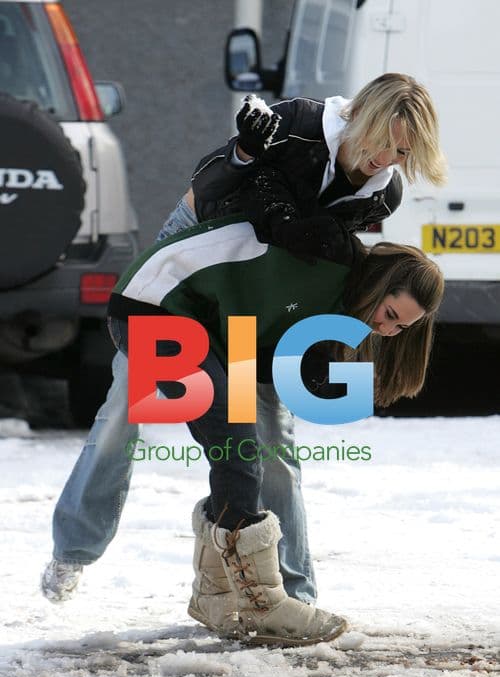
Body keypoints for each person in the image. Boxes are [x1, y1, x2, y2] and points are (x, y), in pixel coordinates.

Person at [41, 72, 447, 613]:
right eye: (382, 142)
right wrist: (243, 154)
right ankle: (73, 548)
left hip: (255, 293)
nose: (385, 160)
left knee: (269, 435)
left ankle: (293, 591)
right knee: (126, 403)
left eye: (401, 153)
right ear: (361, 117)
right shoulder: (296, 124)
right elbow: (211, 190)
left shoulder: (382, 195)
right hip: (195, 261)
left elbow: (312, 263)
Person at [103, 203, 444, 646]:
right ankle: (263, 603)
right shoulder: (326, 266)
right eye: (391, 314)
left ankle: (213, 594)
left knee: (243, 450)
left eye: (400, 329)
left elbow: (259, 341)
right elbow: (250, 324)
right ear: (381, 283)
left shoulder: (336, 293)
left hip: (209, 326)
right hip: (150, 311)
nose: (385, 329)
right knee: (239, 450)